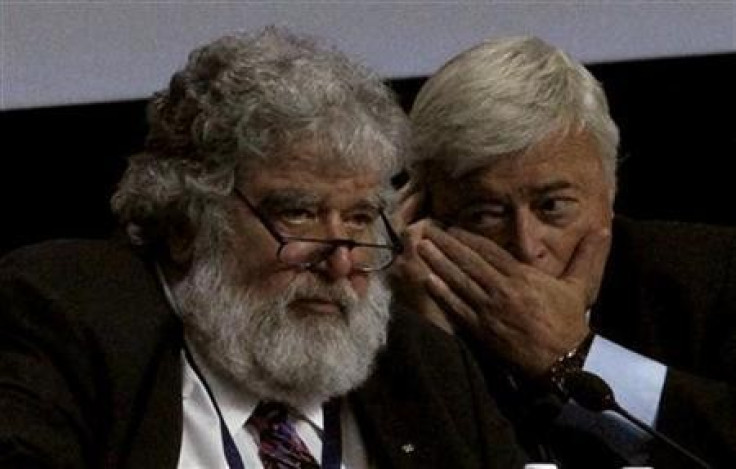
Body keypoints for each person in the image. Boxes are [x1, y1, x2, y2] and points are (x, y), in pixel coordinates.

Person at [0, 28, 526, 468]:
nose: (341, 262)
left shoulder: (426, 369)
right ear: (188, 223)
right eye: (297, 214)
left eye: (361, 219)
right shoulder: (65, 322)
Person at [396, 35, 736, 468]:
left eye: (552, 206)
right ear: (422, 213)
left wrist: (574, 356)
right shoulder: (394, 316)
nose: (526, 245)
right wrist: (427, 346)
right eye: (485, 214)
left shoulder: (710, 274)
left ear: (608, 193)